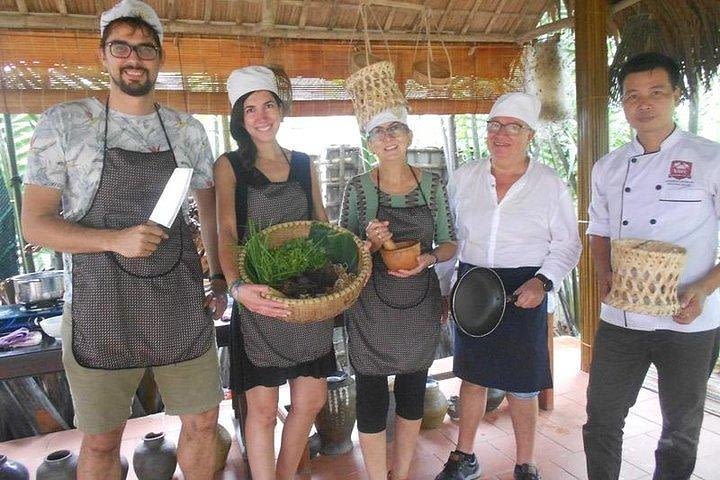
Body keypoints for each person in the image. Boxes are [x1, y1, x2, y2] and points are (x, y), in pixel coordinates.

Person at [20, 1, 226, 478]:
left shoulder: (186, 130)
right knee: (100, 441)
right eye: (121, 47)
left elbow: (210, 211)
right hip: (100, 307)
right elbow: (36, 224)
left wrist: (217, 277)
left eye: (145, 48)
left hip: (178, 302)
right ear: (103, 54)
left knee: (202, 422)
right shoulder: (65, 124)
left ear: (159, 57)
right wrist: (116, 239)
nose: (133, 58)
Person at [583, 52, 720, 480]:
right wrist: (604, 273)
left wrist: (703, 289)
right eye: (632, 96)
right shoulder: (608, 166)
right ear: (622, 104)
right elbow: (599, 229)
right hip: (622, 319)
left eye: (656, 92)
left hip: (689, 321)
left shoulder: (711, 159)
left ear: (676, 95)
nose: (644, 103)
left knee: (679, 428)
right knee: (602, 419)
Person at [435, 92, 581, 480]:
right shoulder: (465, 177)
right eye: (495, 126)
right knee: (471, 375)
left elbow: (568, 244)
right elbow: (451, 239)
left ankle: (525, 463)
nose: (501, 134)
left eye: (512, 127)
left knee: (523, 384)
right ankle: (464, 456)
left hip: (524, 287)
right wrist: (444, 286)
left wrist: (543, 281)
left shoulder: (549, 184)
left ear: (529, 135)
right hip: (472, 284)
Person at [214, 64, 335, 480]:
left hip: (306, 297)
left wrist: (344, 260)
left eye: (268, 105)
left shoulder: (304, 164)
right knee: (263, 411)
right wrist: (237, 287)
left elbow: (320, 222)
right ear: (239, 119)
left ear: (281, 111)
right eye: (250, 109)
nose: (262, 116)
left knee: (311, 399)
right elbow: (227, 231)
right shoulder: (229, 166)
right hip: (260, 296)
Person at [340, 106, 457, 480]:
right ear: (369, 142)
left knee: (412, 389)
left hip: (419, 302)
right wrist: (372, 246)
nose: (388, 138)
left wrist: (428, 259)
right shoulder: (357, 188)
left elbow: (450, 243)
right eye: (378, 132)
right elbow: (341, 254)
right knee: (371, 393)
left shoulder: (433, 185)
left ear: (409, 137)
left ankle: (401, 473)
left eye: (395, 130)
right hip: (371, 306)